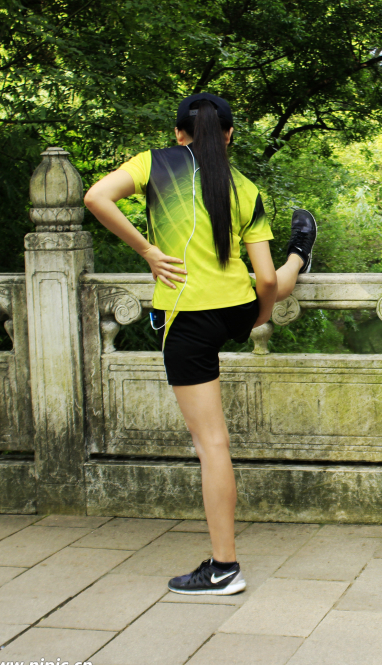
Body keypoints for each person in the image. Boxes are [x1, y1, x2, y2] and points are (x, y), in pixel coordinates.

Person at [84, 92, 316, 595]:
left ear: (178, 133)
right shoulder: (245, 187)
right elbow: (264, 280)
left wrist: (148, 251)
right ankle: (301, 251)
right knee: (279, 271)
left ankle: (224, 567)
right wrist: (261, 316)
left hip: (187, 318)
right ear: (228, 135)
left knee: (213, 445)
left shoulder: (154, 164)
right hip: (236, 309)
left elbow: (95, 197)